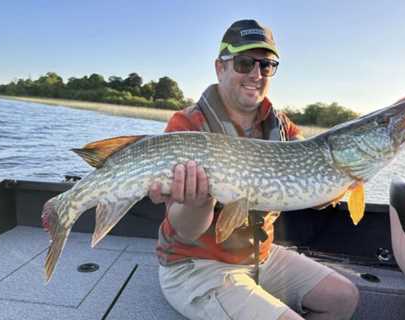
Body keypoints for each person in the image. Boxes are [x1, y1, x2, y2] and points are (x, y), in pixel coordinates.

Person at [149, 19, 359, 320]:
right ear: (220, 67)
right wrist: (198, 201)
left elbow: (317, 182)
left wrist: (343, 180)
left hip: (260, 257)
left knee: (343, 297)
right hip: (196, 265)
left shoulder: (282, 125)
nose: (256, 74)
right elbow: (186, 228)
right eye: (245, 63)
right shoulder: (188, 126)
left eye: (267, 65)